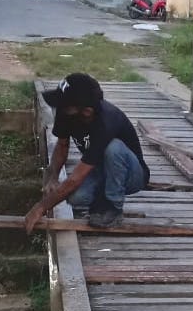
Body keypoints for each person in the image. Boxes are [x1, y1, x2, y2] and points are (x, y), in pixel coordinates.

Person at [24, 73, 150, 231]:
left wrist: (40, 207)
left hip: (131, 176)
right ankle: (102, 199)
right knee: (76, 198)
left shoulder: (107, 121)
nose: (60, 108)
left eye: (65, 105)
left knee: (113, 148)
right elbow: (62, 146)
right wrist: (53, 176)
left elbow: (75, 179)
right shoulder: (66, 114)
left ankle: (114, 208)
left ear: (86, 111)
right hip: (99, 169)